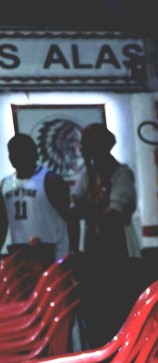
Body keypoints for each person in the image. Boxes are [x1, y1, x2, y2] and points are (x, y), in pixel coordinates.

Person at [71, 122, 141, 346]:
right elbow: (76, 204)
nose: (82, 149)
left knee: (120, 310)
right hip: (94, 253)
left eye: (87, 144)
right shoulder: (88, 174)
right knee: (97, 313)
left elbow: (114, 214)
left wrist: (90, 210)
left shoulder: (120, 174)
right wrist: (93, 210)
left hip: (118, 252)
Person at [0, 132, 76, 263]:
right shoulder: (5, 184)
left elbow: (71, 218)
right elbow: (2, 222)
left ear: (34, 154)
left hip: (50, 249)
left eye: (22, 153)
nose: (16, 157)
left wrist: (73, 251)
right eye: (13, 153)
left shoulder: (51, 181)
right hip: (20, 249)